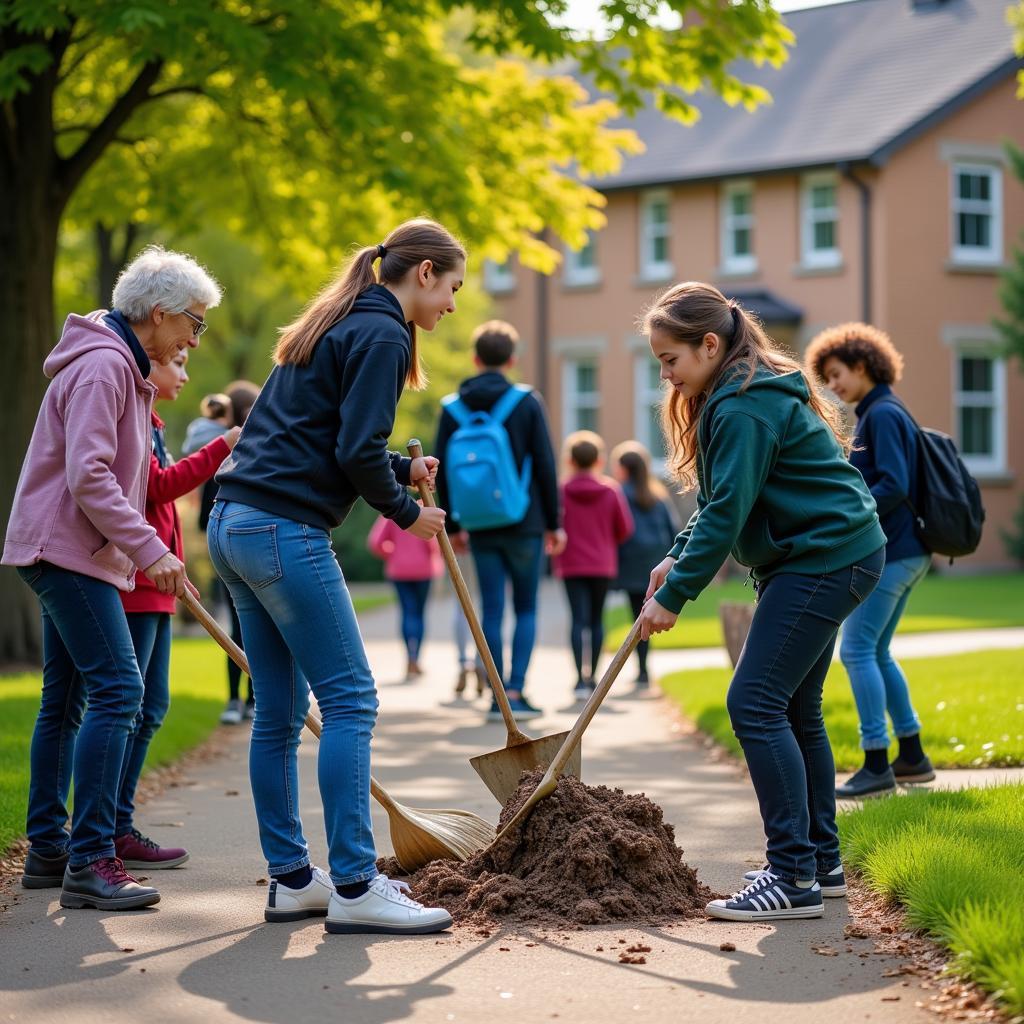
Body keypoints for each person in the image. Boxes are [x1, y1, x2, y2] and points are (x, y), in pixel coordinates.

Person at [209, 218, 460, 934]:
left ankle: (293, 880)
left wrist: (400, 469)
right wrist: (405, 509)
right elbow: (353, 448)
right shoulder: (383, 333)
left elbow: (320, 440)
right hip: (285, 532)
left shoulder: (337, 318)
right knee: (351, 701)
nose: (450, 306)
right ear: (423, 274)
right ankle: (354, 884)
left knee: (280, 717)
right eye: (451, 289)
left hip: (236, 523)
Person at [636, 282, 886, 922]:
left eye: (670, 359)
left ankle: (791, 876)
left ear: (709, 344)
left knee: (753, 701)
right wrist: (675, 554)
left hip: (824, 557)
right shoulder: (739, 390)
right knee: (797, 707)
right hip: (830, 552)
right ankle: (818, 864)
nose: (664, 374)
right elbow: (725, 500)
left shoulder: (742, 406)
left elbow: (726, 513)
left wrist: (679, 594)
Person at [3, 245, 221, 910]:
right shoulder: (103, 368)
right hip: (66, 550)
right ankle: (93, 861)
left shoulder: (120, 367)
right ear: (158, 313)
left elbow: (119, 475)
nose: (193, 337)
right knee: (120, 691)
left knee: (65, 701)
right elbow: (89, 475)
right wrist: (148, 547)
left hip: (68, 550)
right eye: (193, 323)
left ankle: (48, 850)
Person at [115, 349, 241, 870]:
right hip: (139, 580)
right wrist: (222, 447)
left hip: (161, 581)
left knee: (152, 707)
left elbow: (163, 507)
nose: (187, 374)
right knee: (131, 706)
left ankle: (116, 823)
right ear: (149, 368)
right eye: (178, 362)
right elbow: (157, 489)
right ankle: (108, 828)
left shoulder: (155, 422)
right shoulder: (137, 421)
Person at [805, 323, 935, 798]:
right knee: (876, 651)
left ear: (862, 365)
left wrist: (849, 516)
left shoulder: (881, 414)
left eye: (837, 375)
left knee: (856, 650)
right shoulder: (886, 410)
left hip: (895, 551)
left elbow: (895, 484)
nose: (834, 386)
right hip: (911, 551)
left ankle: (877, 762)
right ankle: (913, 756)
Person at [434, 320, 565, 723]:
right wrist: (553, 522)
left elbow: (438, 470)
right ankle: (517, 690)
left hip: (478, 524)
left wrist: (453, 528)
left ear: (475, 359)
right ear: (512, 359)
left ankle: (496, 697)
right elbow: (544, 463)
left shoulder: (452, 408)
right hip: (524, 522)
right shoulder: (526, 402)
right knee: (525, 607)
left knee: (490, 609)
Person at [186, 381, 262, 725]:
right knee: (260, 627)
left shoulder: (220, 456)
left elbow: (204, 518)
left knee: (236, 626)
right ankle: (253, 697)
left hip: (226, 552)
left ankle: (235, 699)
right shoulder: (263, 451)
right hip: (260, 547)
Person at [554, 431, 633, 700]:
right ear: (598, 460)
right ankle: (593, 678)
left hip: (571, 563)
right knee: (597, 620)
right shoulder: (611, 490)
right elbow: (625, 528)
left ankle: (578, 679)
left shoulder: (561, 490)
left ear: (570, 460)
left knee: (577, 619)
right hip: (602, 563)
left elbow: (553, 525)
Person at [611, 441, 681, 689]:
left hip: (629, 562)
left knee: (636, 615)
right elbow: (673, 530)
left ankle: (639, 669)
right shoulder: (658, 496)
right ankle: (643, 670)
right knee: (645, 617)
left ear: (623, 468)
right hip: (655, 563)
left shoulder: (619, 494)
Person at [368, 506, 443, 681]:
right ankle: (416, 659)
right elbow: (433, 545)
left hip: (399, 570)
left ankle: (409, 658)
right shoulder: (424, 513)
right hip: (424, 570)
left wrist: (393, 554)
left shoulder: (392, 512)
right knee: (419, 614)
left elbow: (375, 542)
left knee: (407, 613)